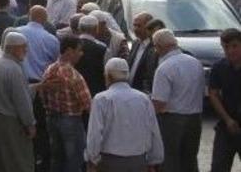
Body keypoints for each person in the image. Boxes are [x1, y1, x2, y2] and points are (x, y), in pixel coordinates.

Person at [85, 58, 164, 172]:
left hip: (110, 162)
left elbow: (95, 134)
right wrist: (154, 160)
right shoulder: (143, 99)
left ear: (108, 76)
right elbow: (153, 131)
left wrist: (92, 159)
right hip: (138, 160)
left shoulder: (101, 99)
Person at [151, 29, 204, 172]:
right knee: (190, 160)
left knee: (169, 160)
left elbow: (159, 103)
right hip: (195, 118)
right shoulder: (195, 63)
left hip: (171, 120)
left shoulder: (164, 68)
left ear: (159, 46)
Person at [0, 32, 36, 172]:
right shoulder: (14, 69)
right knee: (19, 161)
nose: (26, 50)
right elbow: (22, 101)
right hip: (10, 122)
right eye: (23, 47)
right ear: (13, 48)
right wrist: (30, 124)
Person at [40, 36, 91, 172]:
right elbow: (87, 103)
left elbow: (42, 94)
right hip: (71, 121)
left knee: (57, 158)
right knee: (74, 159)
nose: (81, 54)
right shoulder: (74, 75)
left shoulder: (49, 69)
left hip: (52, 118)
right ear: (69, 51)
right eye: (79, 50)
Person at [208, 28, 241, 171]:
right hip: (227, 125)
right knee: (218, 167)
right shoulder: (219, 67)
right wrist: (227, 120)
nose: (230, 51)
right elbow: (213, 94)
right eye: (226, 47)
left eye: (234, 46)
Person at [17, 5, 60, 83]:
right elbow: (56, 61)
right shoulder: (51, 39)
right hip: (40, 82)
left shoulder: (16, 32)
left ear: (29, 17)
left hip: (18, 80)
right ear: (45, 20)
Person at [76, 15, 108, 97]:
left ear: (79, 29)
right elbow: (107, 72)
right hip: (96, 92)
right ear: (96, 29)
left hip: (75, 91)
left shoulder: (70, 45)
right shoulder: (102, 48)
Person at [128, 12, 157, 93]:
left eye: (139, 26)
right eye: (134, 25)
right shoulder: (135, 43)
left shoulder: (155, 46)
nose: (135, 29)